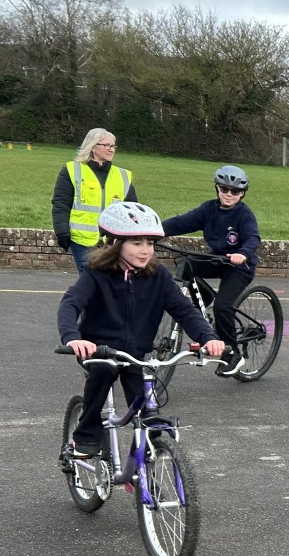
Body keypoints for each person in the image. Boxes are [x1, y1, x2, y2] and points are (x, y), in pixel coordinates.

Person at [57, 202, 223, 457]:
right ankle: (85, 435)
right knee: (103, 372)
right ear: (114, 243)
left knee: (149, 414)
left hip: (136, 354)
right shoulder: (96, 274)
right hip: (99, 350)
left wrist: (208, 337)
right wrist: (73, 338)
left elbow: (185, 310)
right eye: (137, 242)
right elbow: (71, 303)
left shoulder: (159, 277)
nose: (146, 250)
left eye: (150, 243)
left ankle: (141, 467)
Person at [159, 165, 260, 377]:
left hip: (239, 265)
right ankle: (200, 307)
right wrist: (152, 230)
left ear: (242, 193)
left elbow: (253, 238)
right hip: (216, 258)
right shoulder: (209, 209)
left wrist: (243, 253)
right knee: (184, 264)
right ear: (217, 189)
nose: (229, 195)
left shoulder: (244, 214)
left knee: (223, 305)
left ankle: (232, 353)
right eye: (224, 189)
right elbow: (182, 222)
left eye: (235, 191)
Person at [52, 128, 138, 273]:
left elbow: (133, 210)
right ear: (92, 147)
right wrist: (62, 232)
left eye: (113, 146)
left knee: (110, 283)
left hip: (112, 242)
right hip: (82, 241)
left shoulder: (122, 175)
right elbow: (61, 203)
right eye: (107, 145)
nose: (111, 149)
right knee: (90, 281)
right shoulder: (72, 170)